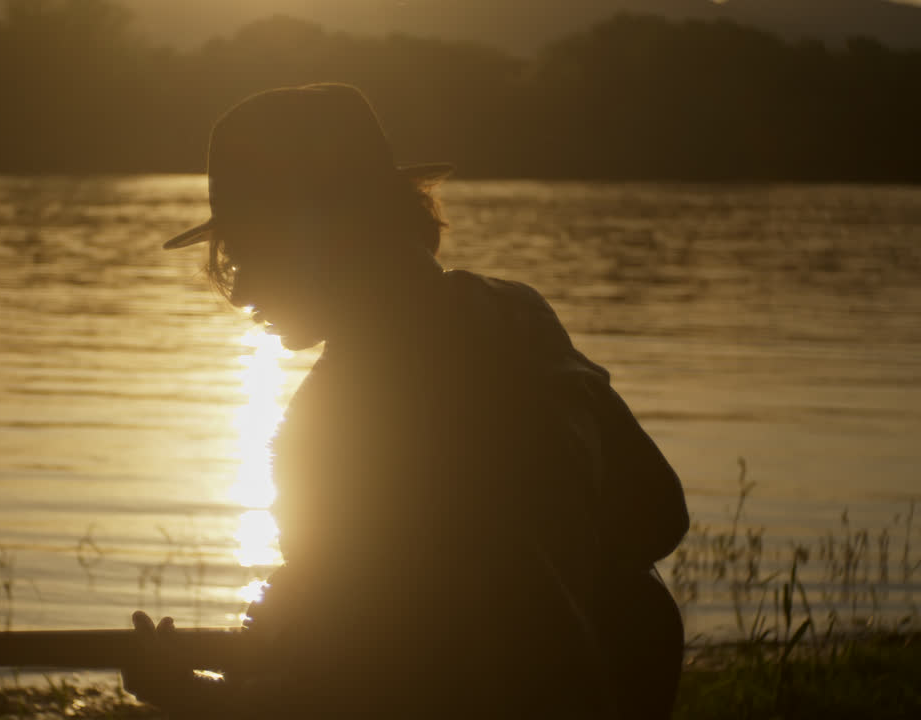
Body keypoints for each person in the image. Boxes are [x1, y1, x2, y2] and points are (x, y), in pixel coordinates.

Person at [123, 83, 689, 718]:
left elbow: (359, 687)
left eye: (250, 254)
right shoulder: (517, 316)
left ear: (328, 235)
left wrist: (187, 696)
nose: (241, 291)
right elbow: (658, 513)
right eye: (232, 264)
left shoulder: (343, 416)